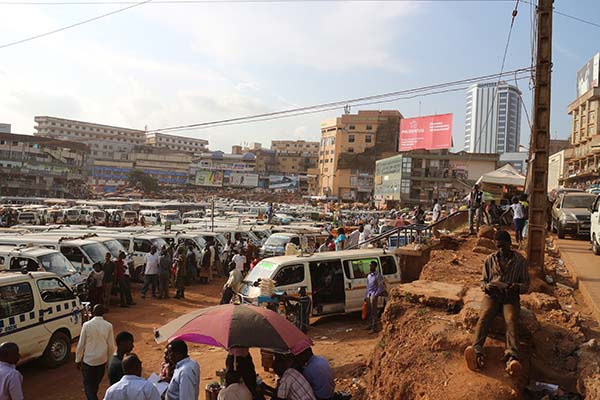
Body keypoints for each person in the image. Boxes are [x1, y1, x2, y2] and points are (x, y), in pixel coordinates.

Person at [464, 230, 529, 377]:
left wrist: (516, 287)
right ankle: (476, 351)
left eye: (504, 246)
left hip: (510, 298)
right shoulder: (490, 259)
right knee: (485, 315)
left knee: (511, 320)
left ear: (510, 244)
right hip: (492, 296)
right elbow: (483, 281)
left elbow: (526, 285)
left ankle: (511, 357)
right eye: (498, 246)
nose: (501, 249)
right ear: (495, 245)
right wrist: (487, 287)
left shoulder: (520, 261)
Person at [76, 305, 115, 400]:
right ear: (103, 313)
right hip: (102, 360)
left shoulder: (87, 325)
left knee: (88, 386)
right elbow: (111, 346)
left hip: (89, 360)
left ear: (93, 312)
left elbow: (81, 344)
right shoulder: (108, 326)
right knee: (95, 384)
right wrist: (109, 362)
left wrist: (78, 359)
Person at [365, 261, 384, 333]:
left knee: (374, 312)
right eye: (369, 266)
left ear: (375, 266)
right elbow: (367, 286)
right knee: (369, 311)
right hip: (368, 295)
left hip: (373, 295)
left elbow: (380, 287)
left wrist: (375, 295)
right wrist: (366, 295)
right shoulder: (369, 275)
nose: (370, 267)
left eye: (371, 266)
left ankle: (374, 327)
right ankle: (370, 325)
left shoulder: (378, 275)